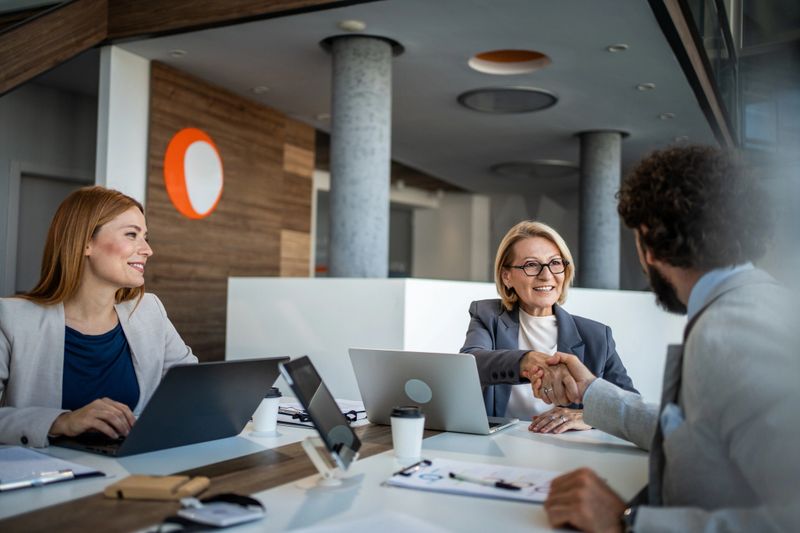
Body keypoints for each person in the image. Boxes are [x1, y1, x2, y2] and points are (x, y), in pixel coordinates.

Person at [530, 146, 799, 532]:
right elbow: (691, 432)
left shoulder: (737, 331)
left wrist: (627, 522)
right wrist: (590, 391)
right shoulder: (754, 304)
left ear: (648, 244)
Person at [0, 186, 197, 448]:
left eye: (145, 237)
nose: (147, 250)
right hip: (44, 479)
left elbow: (193, 387)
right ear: (85, 243)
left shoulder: (148, 311)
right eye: (132, 235)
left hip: (133, 471)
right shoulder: (12, 319)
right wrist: (62, 422)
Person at [460, 220, 637, 433]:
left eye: (555, 263)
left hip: (566, 451)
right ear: (507, 276)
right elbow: (471, 362)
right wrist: (527, 360)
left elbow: (630, 405)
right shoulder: (487, 316)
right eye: (531, 265)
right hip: (500, 447)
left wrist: (589, 417)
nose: (546, 275)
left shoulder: (597, 336)